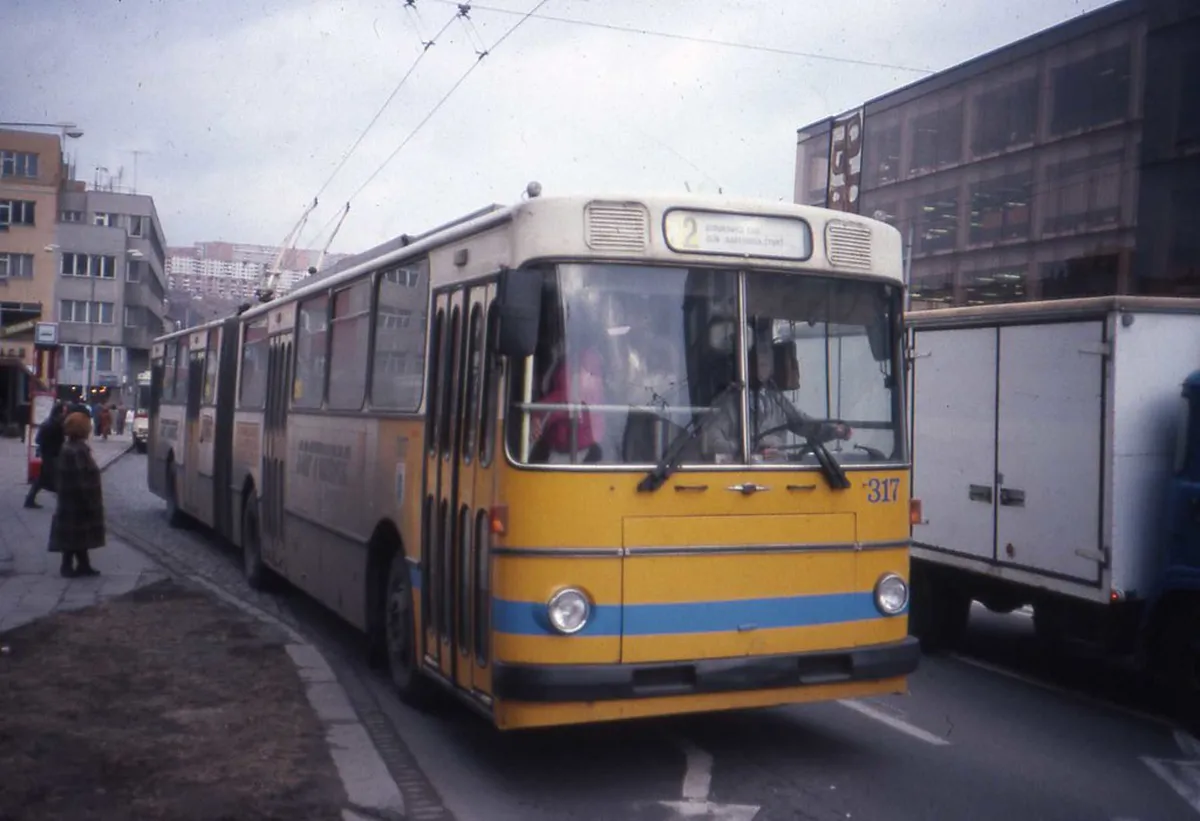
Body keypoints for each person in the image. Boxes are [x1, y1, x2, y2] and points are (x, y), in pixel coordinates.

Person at [48, 411, 106, 578]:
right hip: (77, 501)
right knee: (74, 533)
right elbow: (82, 478)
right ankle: (67, 566)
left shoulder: (70, 448)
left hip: (69, 500)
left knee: (76, 534)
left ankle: (83, 564)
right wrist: (89, 501)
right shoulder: (77, 451)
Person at [529, 346, 607, 463]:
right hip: (556, 453)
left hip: (588, 451)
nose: (594, 379)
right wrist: (536, 420)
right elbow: (541, 412)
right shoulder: (560, 396)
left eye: (595, 374)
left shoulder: (599, 397)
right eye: (589, 372)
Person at [25, 402, 66, 509]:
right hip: (51, 456)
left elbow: (39, 439)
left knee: (42, 479)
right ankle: (64, 504)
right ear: (59, 413)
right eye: (63, 412)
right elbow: (58, 441)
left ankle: (29, 500)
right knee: (56, 480)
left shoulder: (50, 423)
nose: (65, 415)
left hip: (49, 454)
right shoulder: (54, 425)